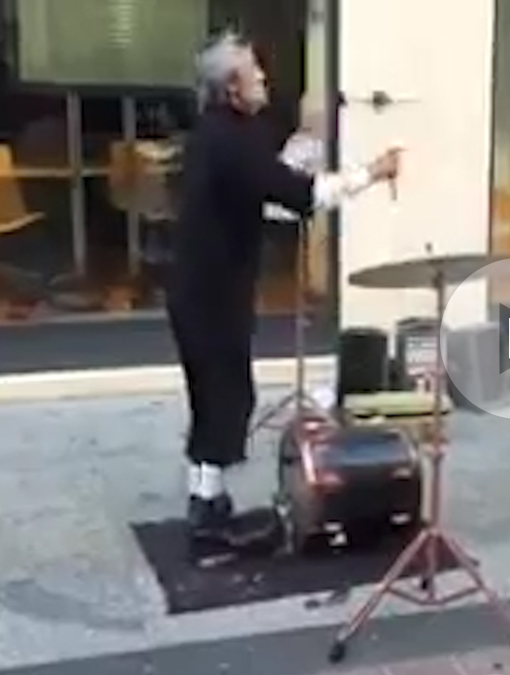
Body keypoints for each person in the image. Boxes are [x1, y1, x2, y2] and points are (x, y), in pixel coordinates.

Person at [169, 31, 401, 540]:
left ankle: (208, 496)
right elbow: (298, 195)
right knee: (224, 394)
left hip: (205, 285)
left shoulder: (220, 133)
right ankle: (205, 505)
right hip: (210, 289)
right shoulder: (230, 138)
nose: (263, 79)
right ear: (232, 87)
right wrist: (373, 173)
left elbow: (265, 195)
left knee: (217, 392)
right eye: (254, 72)